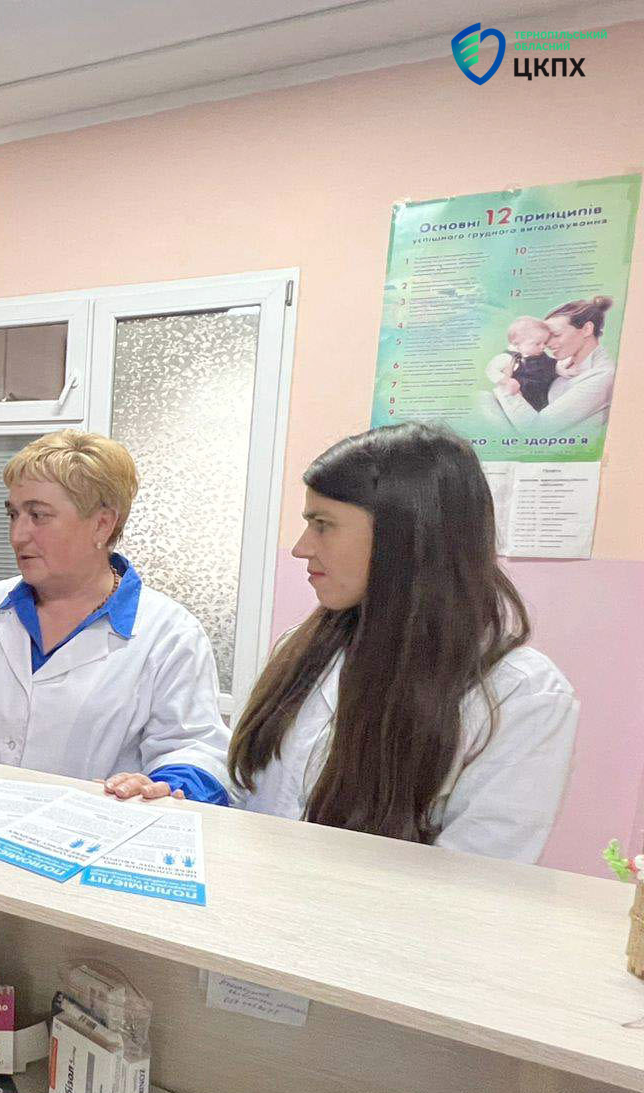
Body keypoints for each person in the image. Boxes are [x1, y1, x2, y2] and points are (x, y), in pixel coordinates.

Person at [228, 423, 577, 861]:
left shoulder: (522, 695)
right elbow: (249, 794)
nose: (301, 548)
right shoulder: (301, 650)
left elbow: (477, 876)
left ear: (404, 537)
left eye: (323, 525)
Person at [0, 430, 231, 804]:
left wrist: (161, 787)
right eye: (13, 514)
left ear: (102, 524)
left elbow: (196, 752)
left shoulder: (170, 635)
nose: (18, 535)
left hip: (93, 837)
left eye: (38, 516)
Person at [488, 296, 615, 433]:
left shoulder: (602, 377)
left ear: (587, 329)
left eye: (556, 335)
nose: (547, 344)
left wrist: (507, 390)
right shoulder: (560, 362)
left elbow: (536, 430)